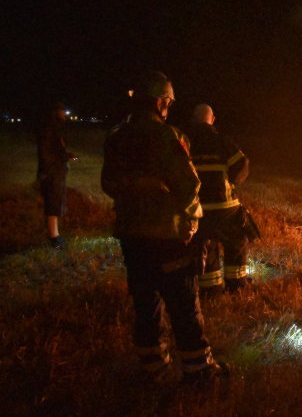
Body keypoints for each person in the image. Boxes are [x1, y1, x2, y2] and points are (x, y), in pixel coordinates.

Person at [101, 71, 227, 382]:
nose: (168, 108)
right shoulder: (166, 136)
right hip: (169, 238)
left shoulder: (117, 136)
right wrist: (190, 221)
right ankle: (199, 372)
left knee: (146, 304)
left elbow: (108, 183)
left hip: (132, 237)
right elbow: (189, 185)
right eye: (168, 103)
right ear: (160, 102)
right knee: (183, 305)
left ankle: (152, 366)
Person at [186, 104, 256, 294]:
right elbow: (242, 164)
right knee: (237, 240)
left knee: (206, 243)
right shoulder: (221, 140)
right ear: (213, 119)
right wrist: (232, 182)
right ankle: (237, 284)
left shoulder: (185, 141)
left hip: (197, 208)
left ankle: (211, 288)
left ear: (193, 120)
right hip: (225, 206)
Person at [37, 101, 77, 250]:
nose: (64, 114)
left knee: (55, 201)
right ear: (55, 112)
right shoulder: (49, 129)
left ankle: (55, 234)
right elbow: (47, 153)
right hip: (52, 172)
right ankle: (54, 237)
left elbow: (55, 150)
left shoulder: (55, 128)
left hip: (55, 171)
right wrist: (63, 157)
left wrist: (66, 155)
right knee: (52, 202)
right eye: (62, 111)